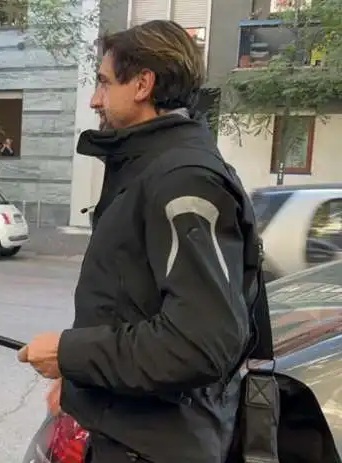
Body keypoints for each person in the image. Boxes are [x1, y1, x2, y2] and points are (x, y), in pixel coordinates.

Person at [18, 20, 261, 462]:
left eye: (104, 83)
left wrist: (71, 355)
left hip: (154, 448)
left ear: (143, 84)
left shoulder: (183, 178)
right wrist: (79, 381)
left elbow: (199, 342)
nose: (95, 99)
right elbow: (134, 306)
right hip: (134, 434)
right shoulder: (156, 168)